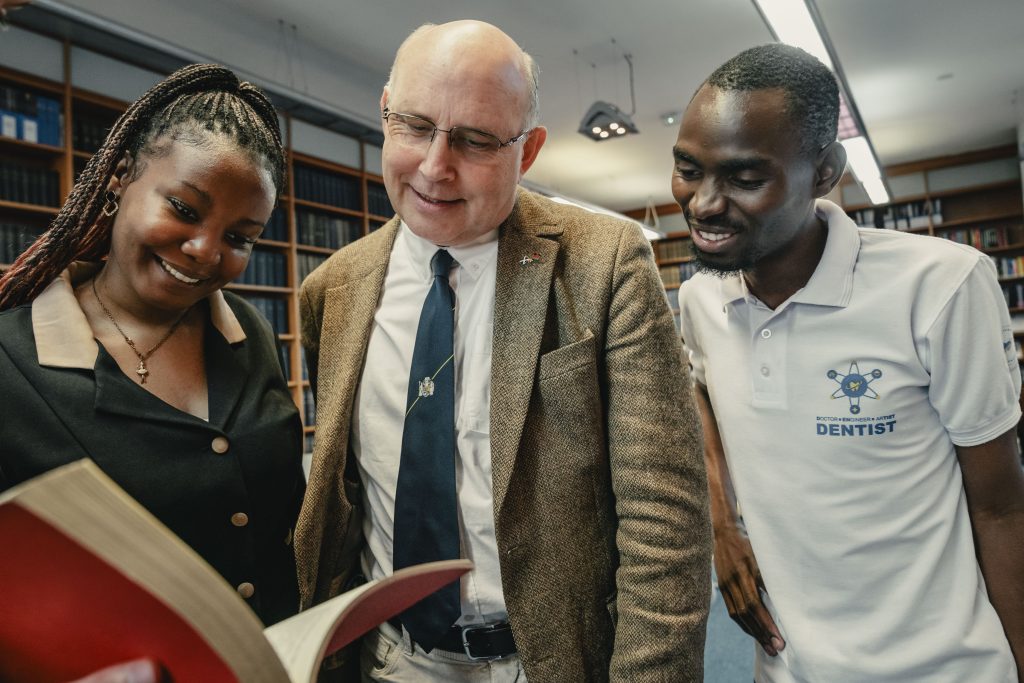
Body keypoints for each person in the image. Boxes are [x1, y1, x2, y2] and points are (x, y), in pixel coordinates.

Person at [295, 20, 711, 683]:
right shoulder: (331, 291)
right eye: (414, 126)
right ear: (384, 113)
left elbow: (665, 521)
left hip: (545, 662)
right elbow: (345, 500)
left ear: (529, 148)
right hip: (390, 660)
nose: (435, 166)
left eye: (476, 139)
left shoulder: (605, 264)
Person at [676, 43, 1024, 682]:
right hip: (787, 669)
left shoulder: (942, 286)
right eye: (688, 169)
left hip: (946, 670)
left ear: (824, 170)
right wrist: (721, 524)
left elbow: (1002, 507)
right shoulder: (701, 297)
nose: (702, 204)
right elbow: (701, 391)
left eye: (745, 178)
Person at [0, 64, 305, 629]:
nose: (204, 250)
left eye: (239, 238)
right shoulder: (9, 362)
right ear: (119, 179)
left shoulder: (249, 332)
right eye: (184, 210)